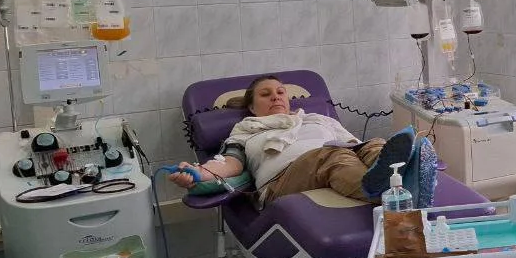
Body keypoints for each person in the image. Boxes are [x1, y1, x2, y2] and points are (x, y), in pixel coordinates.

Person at [166, 75, 413, 208]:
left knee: (374, 145)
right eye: (265, 94)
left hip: (338, 158)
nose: (275, 96)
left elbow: (354, 144)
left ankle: (409, 174)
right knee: (333, 156)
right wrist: (198, 173)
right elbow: (230, 164)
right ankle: (391, 194)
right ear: (251, 107)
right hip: (282, 182)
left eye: (280, 92)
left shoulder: (316, 119)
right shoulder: (245, 130)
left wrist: (371, 151)